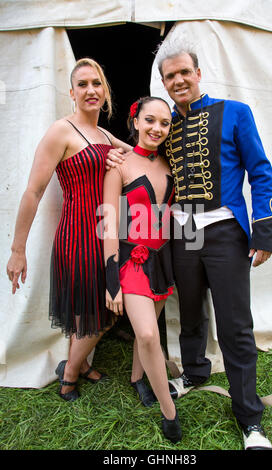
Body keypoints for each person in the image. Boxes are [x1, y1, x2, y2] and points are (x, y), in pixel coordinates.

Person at [106, 46, 272, 450]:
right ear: (163, 83)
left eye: (185, 72)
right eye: (170, 77)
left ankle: (250, 420)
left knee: (235, 325)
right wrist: (123, 151)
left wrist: (264, 231)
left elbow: (261, 170)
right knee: (189, 311)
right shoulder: (167, 126)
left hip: (222, 232)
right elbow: (146, 153)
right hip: (182, 234)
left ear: (198, 73)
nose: (179, 81)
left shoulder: (235, 112)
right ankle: (196, 371)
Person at [6, 58, 131, 401]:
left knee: (97, 310)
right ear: (72, 93)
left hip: (105, 233)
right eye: (83, 84)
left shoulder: (105, 134)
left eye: (97, 83)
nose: (91, 90)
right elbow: (33, 191)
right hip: (76, 235)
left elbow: (138, 157)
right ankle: (70, 376)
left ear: (105, 91)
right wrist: (18, 250)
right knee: (97, 311)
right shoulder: (61, 130)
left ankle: (79, 363)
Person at [103, 96, 182, 444]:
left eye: (164, 123)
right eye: (150, 120)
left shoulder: (170, 164)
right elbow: (107, 224)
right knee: (150, 335)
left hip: (164, 259)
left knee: (144, 330)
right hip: (130, 261)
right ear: (136, 121)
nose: (157, 129)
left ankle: (138, 378)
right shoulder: (118, 166)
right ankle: (170, 412)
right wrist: (111, 282)